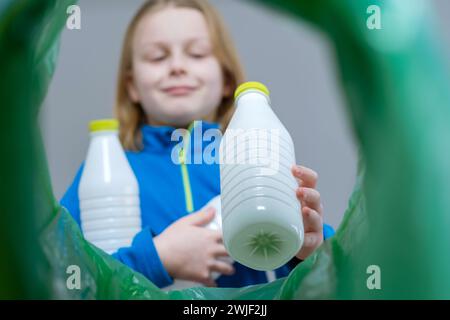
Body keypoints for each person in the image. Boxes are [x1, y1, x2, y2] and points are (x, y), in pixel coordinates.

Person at [61, 0, 334, 289]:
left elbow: (337, 277)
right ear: (132, 86)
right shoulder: (103, 172)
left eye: (197, 53)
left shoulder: (255, 158)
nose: (177, 67)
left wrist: (309, 250)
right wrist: (158, 258)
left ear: (227, 79)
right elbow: (60, 276)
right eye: (157, 57)